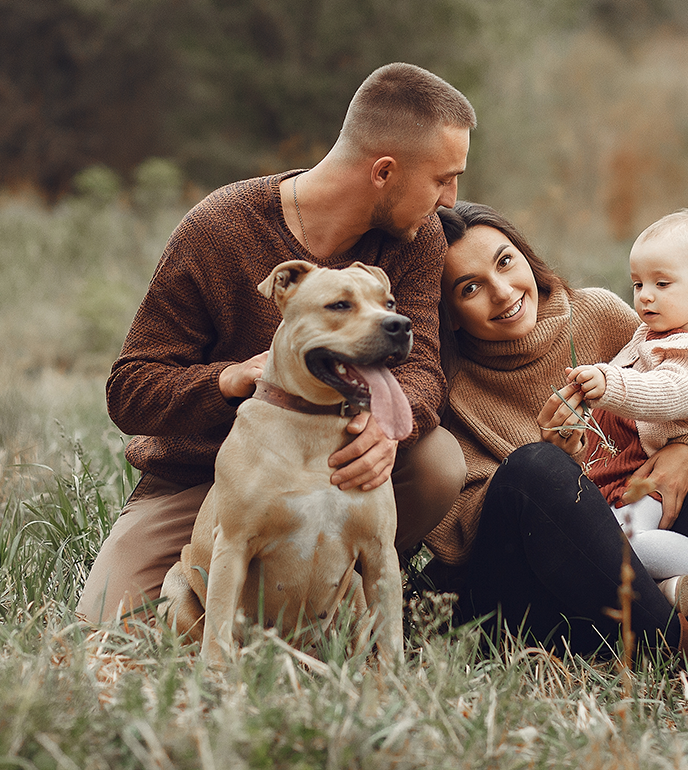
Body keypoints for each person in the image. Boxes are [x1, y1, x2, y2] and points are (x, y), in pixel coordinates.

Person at [76, 63, 473, 625]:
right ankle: (249, 604)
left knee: (436, 462)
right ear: (384, 171)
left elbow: (423, 366)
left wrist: (390, 423)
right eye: (442, 179)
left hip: (340, 464)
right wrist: (229, 379)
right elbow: (131, 388)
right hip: (207, 479)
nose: (452, 201)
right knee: (108, 626)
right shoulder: (220, 229)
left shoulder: (417, 238)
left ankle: (341, 593)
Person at [424, 201, 688, 707]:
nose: (504, 291)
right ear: (447, 312)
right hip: (551, 604)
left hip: (661, 562)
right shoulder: (445, 385)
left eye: (506, 261)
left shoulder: (599, 313)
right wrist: (556, 470)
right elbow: (458, 538)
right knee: (536, 468)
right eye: (469, 288)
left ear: (526, 256)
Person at [562, 209, 688, 646]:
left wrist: (607, 383)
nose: (645, 297)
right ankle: (669, 592)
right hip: (626, 467)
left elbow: (667, 392)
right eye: (637, 284)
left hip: (657, 470)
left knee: (621, 544)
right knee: (598, 541)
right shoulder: (654, 333)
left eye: (661, 284)